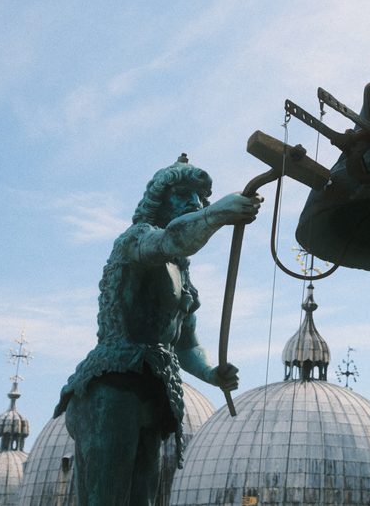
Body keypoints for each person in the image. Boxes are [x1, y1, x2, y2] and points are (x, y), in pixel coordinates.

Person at [54, 155, 262, 506]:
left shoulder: (181, 272)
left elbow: (185, 344)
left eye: (200, 198)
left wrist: (211, 372)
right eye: (183, 194)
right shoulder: (137, 241)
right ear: (158, 201)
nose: (194, 203)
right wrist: (216, 216)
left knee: (143, 499)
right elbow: (172, 240)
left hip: (153, 391)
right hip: (113, 385)